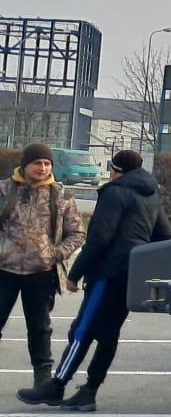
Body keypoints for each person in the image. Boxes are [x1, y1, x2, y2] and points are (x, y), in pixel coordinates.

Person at [18, 149, 169, 411]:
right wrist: (139, 257)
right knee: (109, 334)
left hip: (107, 273)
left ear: (115, 169)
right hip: (130, 274)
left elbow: (100, 237)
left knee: (82, 331)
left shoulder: (114, 192)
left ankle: (57, 385)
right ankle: (89, 390)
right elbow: (164, 233)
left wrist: (75, 273)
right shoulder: (151, 192)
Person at [0, 144, 85, 393]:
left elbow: (77, 233)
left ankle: (42, 378)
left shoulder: (61, 195)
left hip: (41, 274)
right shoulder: (5, 190)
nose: (43, 168)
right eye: (37, 163)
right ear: (25, 165)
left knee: (39, 328)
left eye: (47, 164)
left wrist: (54, 255)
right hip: (5, 271)